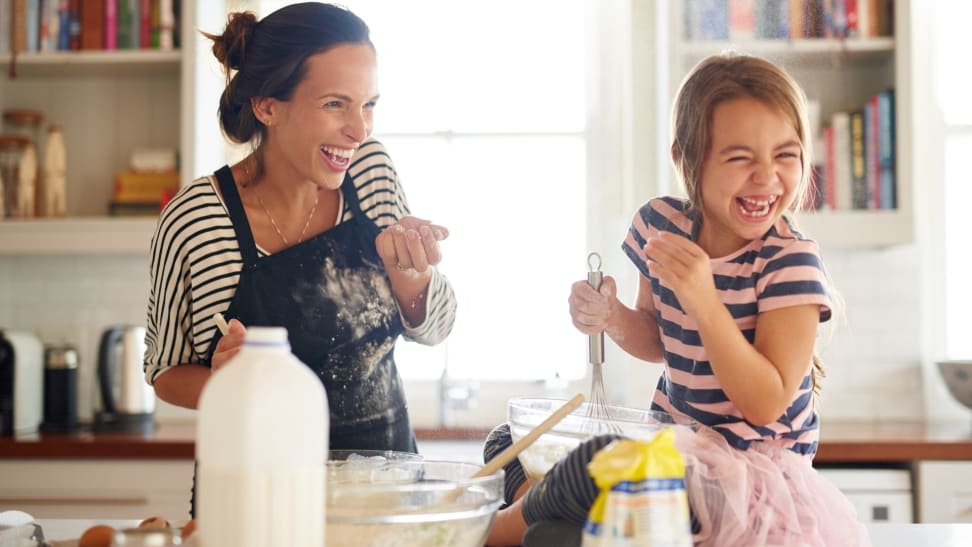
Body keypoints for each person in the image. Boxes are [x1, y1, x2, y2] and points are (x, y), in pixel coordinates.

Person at [483, 52, 869, 547]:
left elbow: (765, 403)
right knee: (509, 443)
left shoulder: (788, 263)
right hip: (676, 453)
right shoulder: (662, 226)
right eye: (739, 158)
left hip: (747, 483)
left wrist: (704, 300)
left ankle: (481, 534)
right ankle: (553, 522)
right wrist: (612, 317)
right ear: (686, 158)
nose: (766, 177)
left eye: (785, 155)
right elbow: (658, 338)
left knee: (592, 463)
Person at [145, 2, 455, 466]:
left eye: (368, 105)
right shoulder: (197, 217)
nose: (359, 129)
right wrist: (225, 384)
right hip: (254, 491)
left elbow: (436, 329)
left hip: (384, 492)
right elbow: (165, 371)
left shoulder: (371, 173)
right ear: (268, 106)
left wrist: (412, 278)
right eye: (335, 104)